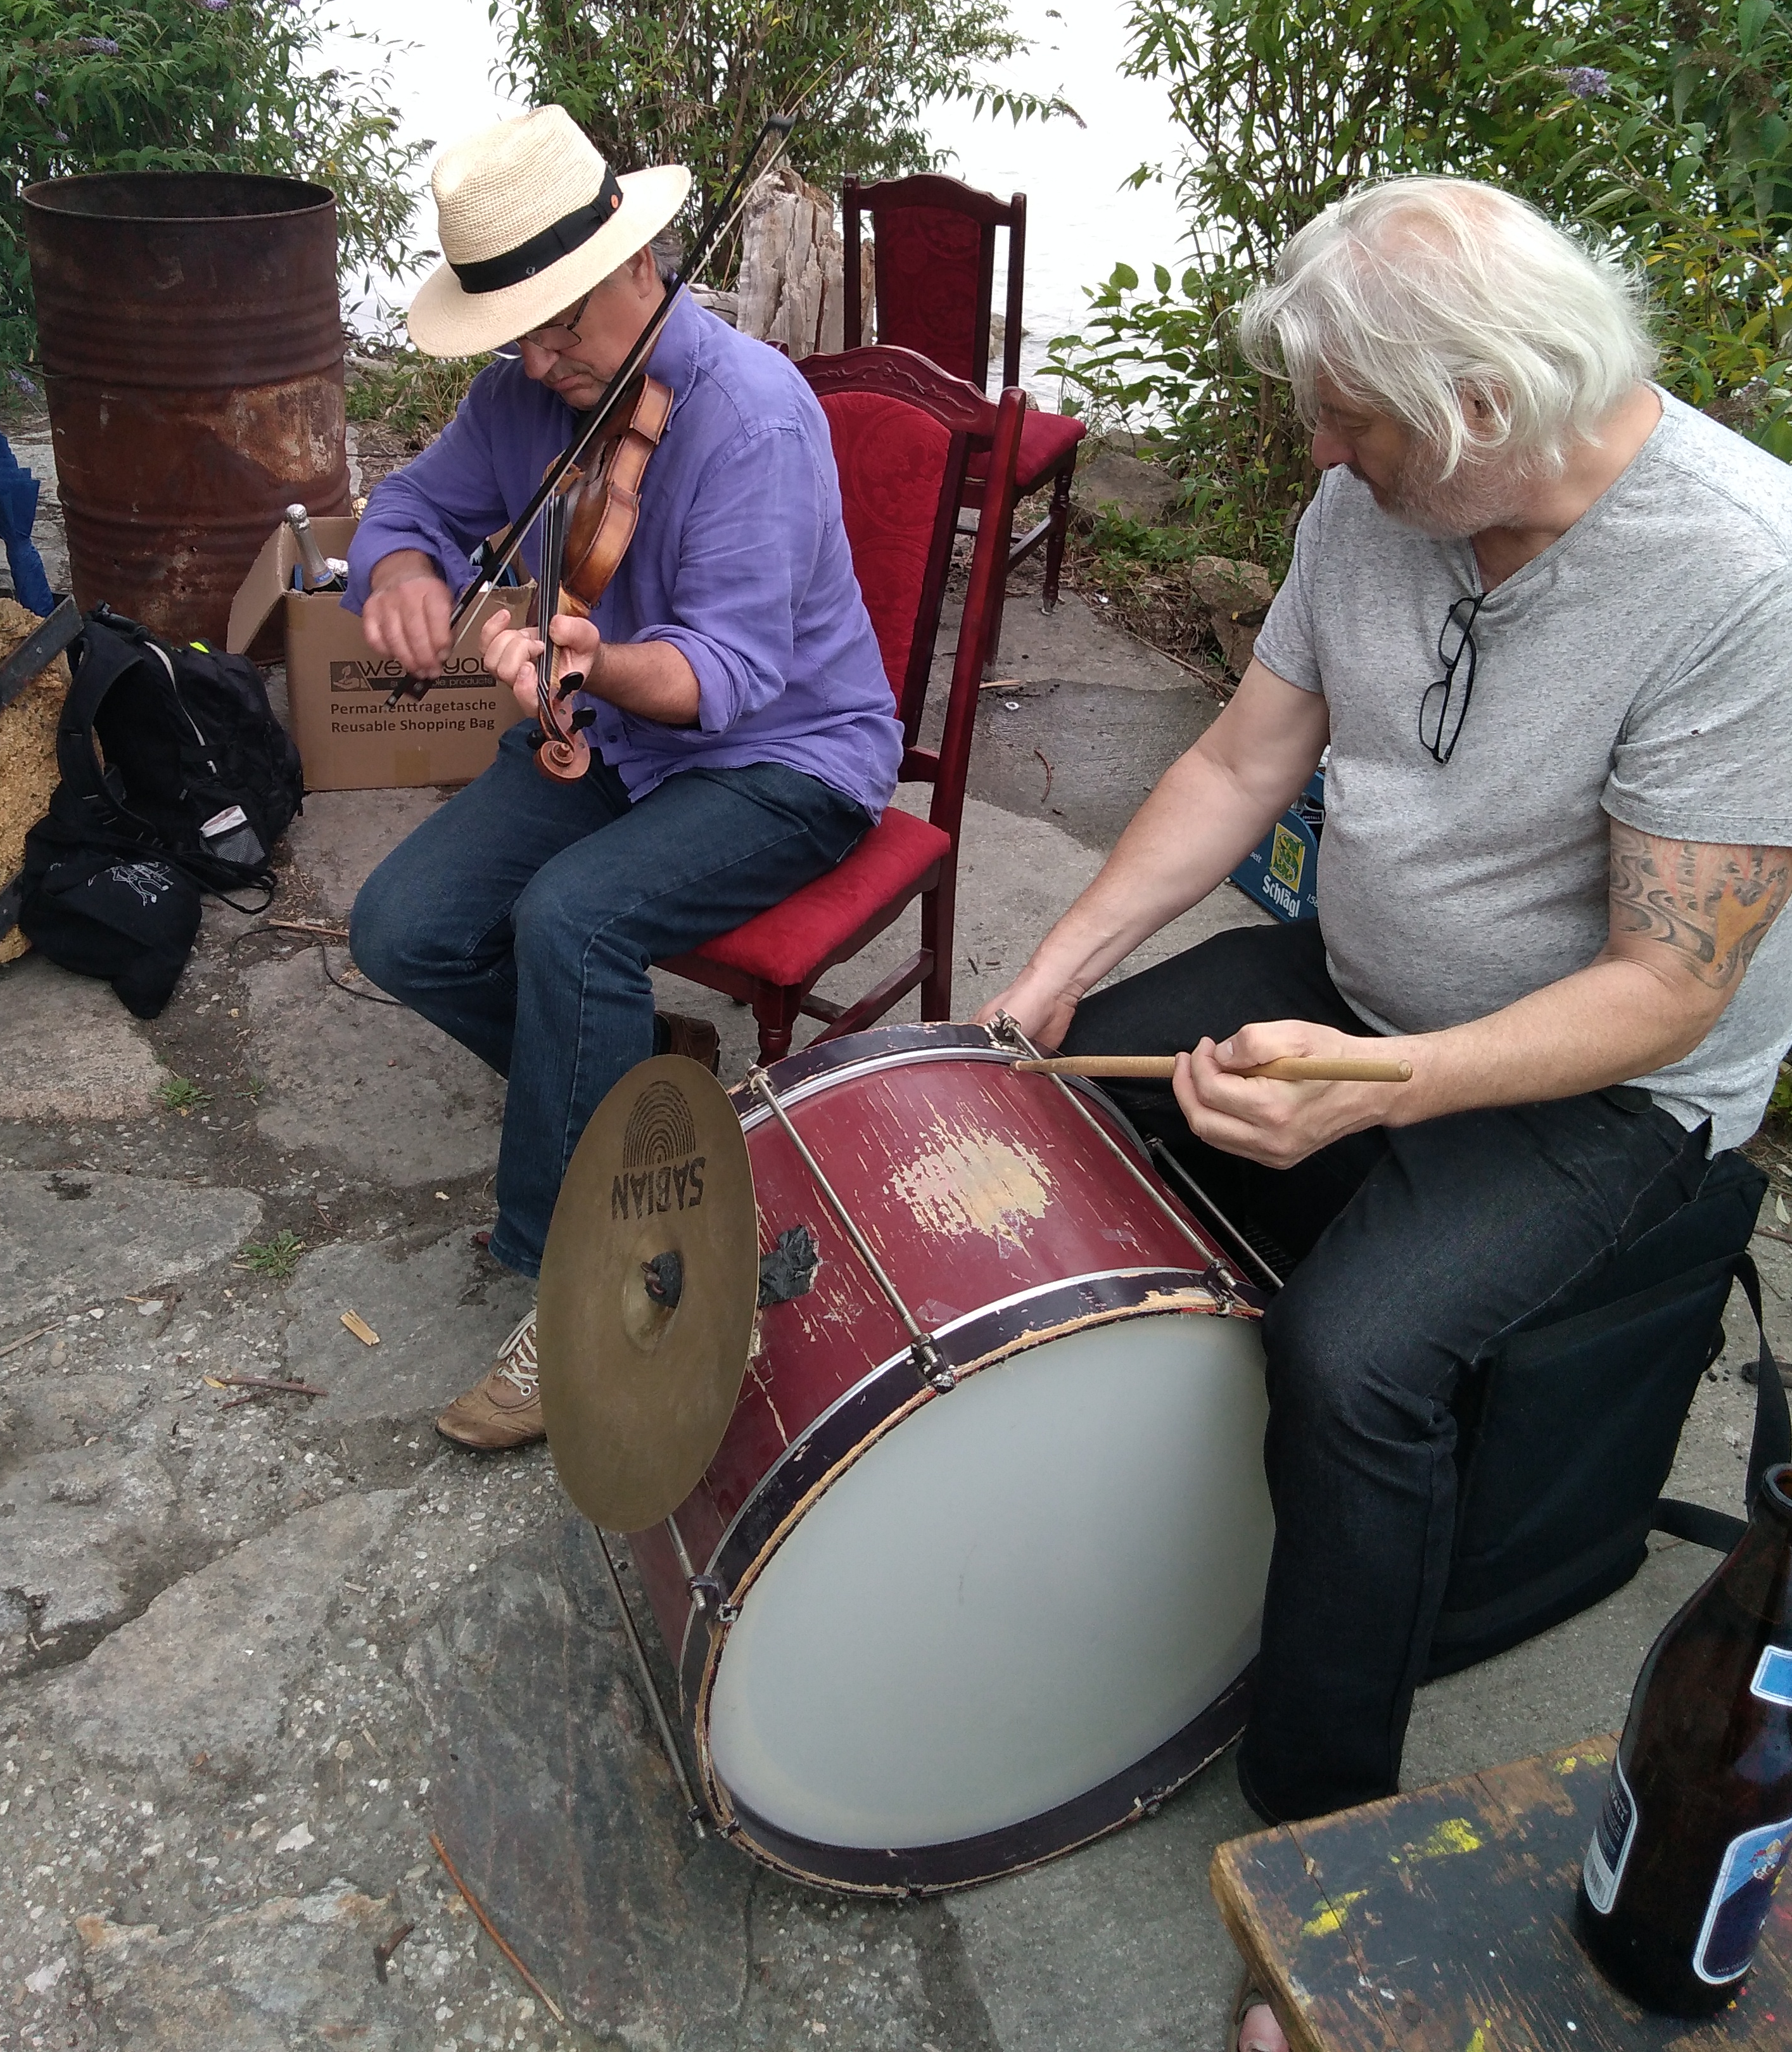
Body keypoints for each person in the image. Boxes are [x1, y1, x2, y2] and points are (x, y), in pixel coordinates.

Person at [978, 177, 1792, 2052]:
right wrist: (1069, 958)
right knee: (1054, 1103)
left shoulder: (1742, 580)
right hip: (1357, 984)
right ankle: (1065, 1536)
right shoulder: (1376, 498)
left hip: (1609, 1080)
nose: (1318, 451)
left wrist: (1376, 1097)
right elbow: (1248, 750)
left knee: (1358, 1364)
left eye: (1353, 419)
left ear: (1489, 409)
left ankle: (1317, 1851)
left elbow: (1674, 984)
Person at [346, 107, 900, 1453]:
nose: (540, 362)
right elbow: (410, 505)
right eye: (517, 334)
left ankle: (575, 1279)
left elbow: (729, 674)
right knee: (399, 928)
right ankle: (640, 1068)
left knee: (572, 919)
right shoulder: (525, 392)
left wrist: (590, 654)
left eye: (559, 326)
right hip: (619, 740)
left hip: (786, 759)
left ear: (638, 267)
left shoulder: (754, 417)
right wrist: (405, 575)